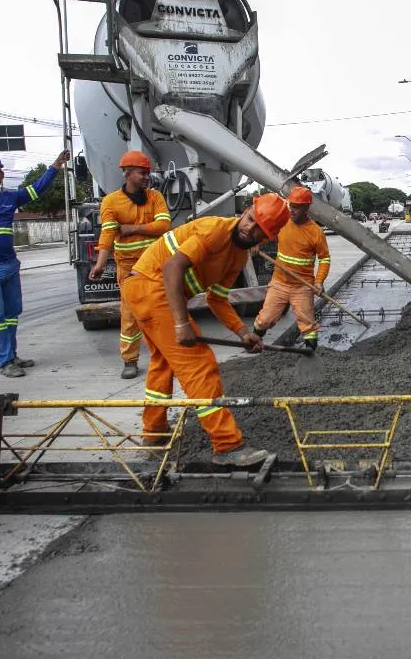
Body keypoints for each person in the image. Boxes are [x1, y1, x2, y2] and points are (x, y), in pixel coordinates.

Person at [123, 193, 290, 466]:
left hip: (144, 288)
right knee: (200, 364)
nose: (250, 228)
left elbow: (217, 299)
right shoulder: (214, 231)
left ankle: (154, 432)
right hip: (151, 285)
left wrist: (242, 332)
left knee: (163, 364)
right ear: (246, 210)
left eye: (260, 228)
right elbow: (172, 268)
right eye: (250, 219)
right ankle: (227, 446)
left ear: (268, 237)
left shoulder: (237, 256)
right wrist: (180, 323)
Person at [0, 150, 69, 378]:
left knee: (11, 313)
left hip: (9, 265)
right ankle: (4, 361)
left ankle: (12, 355)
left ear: (1, 174)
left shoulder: (9, 198)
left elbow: (36, 190)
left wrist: (56, 165)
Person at [88, 151, 172, 379]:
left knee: (159, 310)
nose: (147, 177)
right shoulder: (111, 201)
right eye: (142, 173)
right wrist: (100, 264)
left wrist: (133, 228)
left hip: (154, 264)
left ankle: (166, 354)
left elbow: (164, 225)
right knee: (130, 313)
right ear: (128, 173)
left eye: (148, 173)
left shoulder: (154, 197)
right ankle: (130, 360)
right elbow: (107, 235)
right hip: (128, 268)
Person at [252, 186, 331, 350]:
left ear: (306, 208)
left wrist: (319, 282)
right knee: (265, 319)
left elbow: (324, 258)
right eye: (291, 205)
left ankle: (311, 353)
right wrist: (257, 244)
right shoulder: (283, 222)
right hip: (279, 283)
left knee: (307, 324)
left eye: (296, 207)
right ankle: (253, 344)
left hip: (303, 286)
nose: (292, 210)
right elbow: (268, 234)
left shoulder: (315, 232)